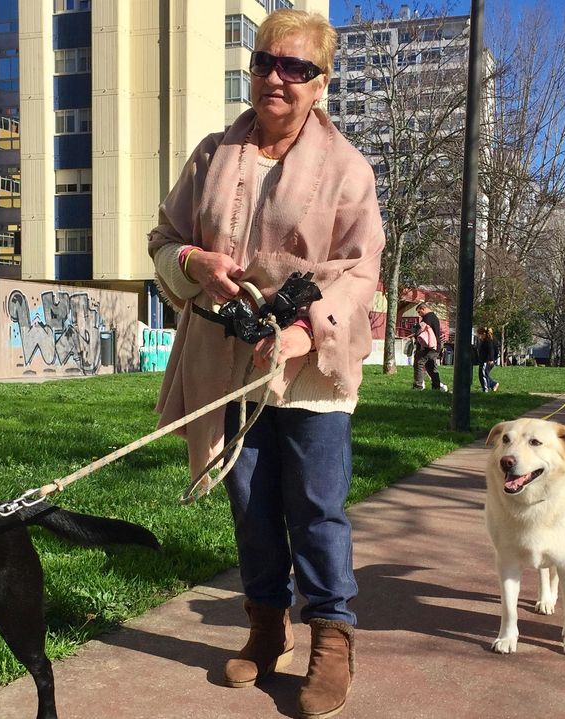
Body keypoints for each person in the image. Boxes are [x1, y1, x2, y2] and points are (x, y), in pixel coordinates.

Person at [147, 9, 384, 718]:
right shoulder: (212, 154)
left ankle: (331, 641)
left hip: (311, 371)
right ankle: (264, 624)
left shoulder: (348, 168)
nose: (276, 78)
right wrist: (192, 262)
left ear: (321, 85)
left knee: (314, 507)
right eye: (265, 62)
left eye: (296, 68)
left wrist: (307, 331)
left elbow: (360, 269)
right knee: (249, 504)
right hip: (224, 362)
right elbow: (164, 240)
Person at [411, 302, 447, 392]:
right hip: (435, 347)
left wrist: (415, 331)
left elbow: (420, 330)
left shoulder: (427, 318)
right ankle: (436, 386)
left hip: (428, 346)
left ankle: (418, 386)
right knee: (431, 367)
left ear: (423, 308)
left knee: (419, 362)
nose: (419, 314)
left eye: (419, 312)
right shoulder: (434, 317)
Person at [475, 327, 499, 392]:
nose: (479, 337)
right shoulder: (488, 339)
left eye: (479, 335)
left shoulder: (488, 341)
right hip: (486, 360)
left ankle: (486, 388)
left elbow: (491, 350)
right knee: (484, 374)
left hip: (486, 361)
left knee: (483, 375)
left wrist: (491, 359)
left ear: (483, 334)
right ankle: (493, 384)